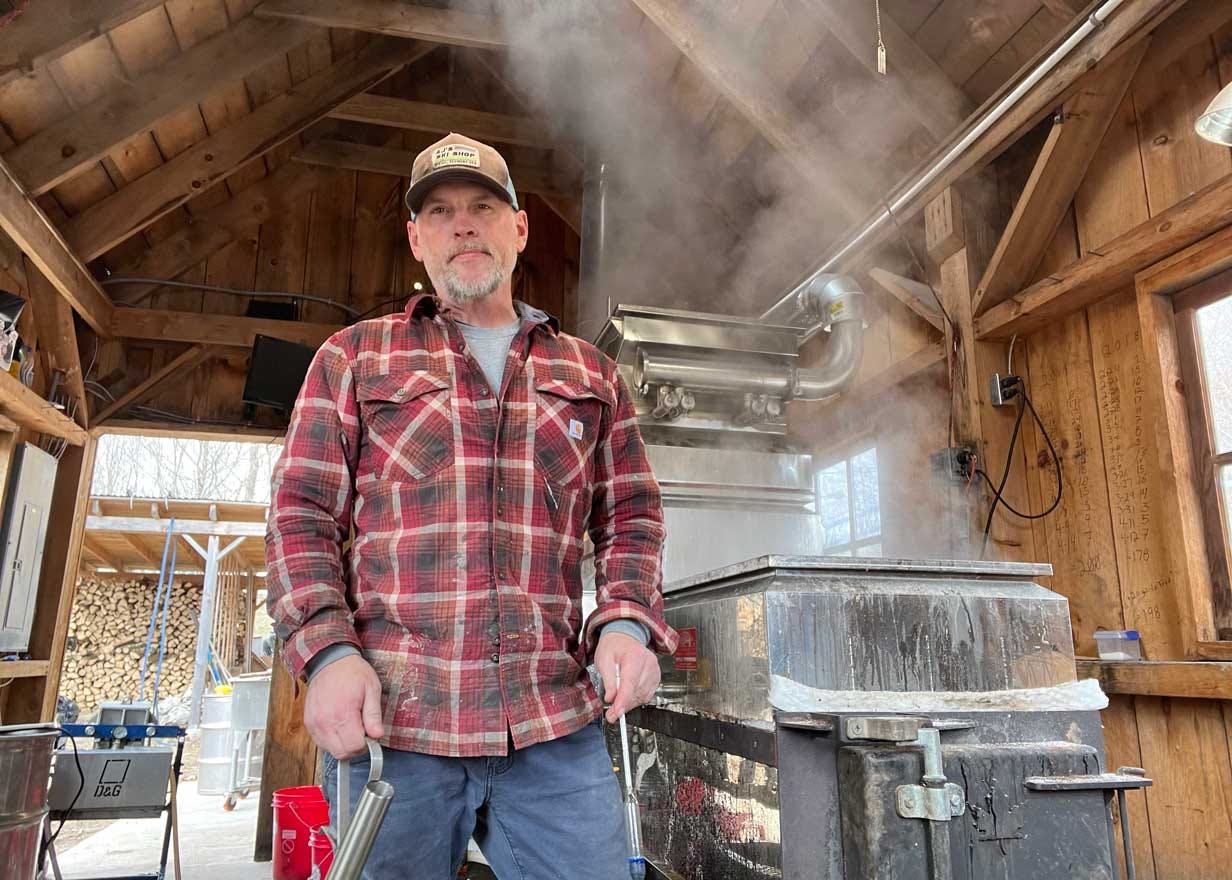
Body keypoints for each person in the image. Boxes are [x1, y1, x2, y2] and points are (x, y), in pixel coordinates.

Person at [265, 132, 677, 879]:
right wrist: (326, 653)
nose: (464, 224)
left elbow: (632, 517)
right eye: (442, 211)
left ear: (518, 229)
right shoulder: (354, 357)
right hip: (396, 725)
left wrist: (625, 622)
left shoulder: (592, 374)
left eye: (484, 206)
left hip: (553, 722)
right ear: (417, 238)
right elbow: (300, 515)